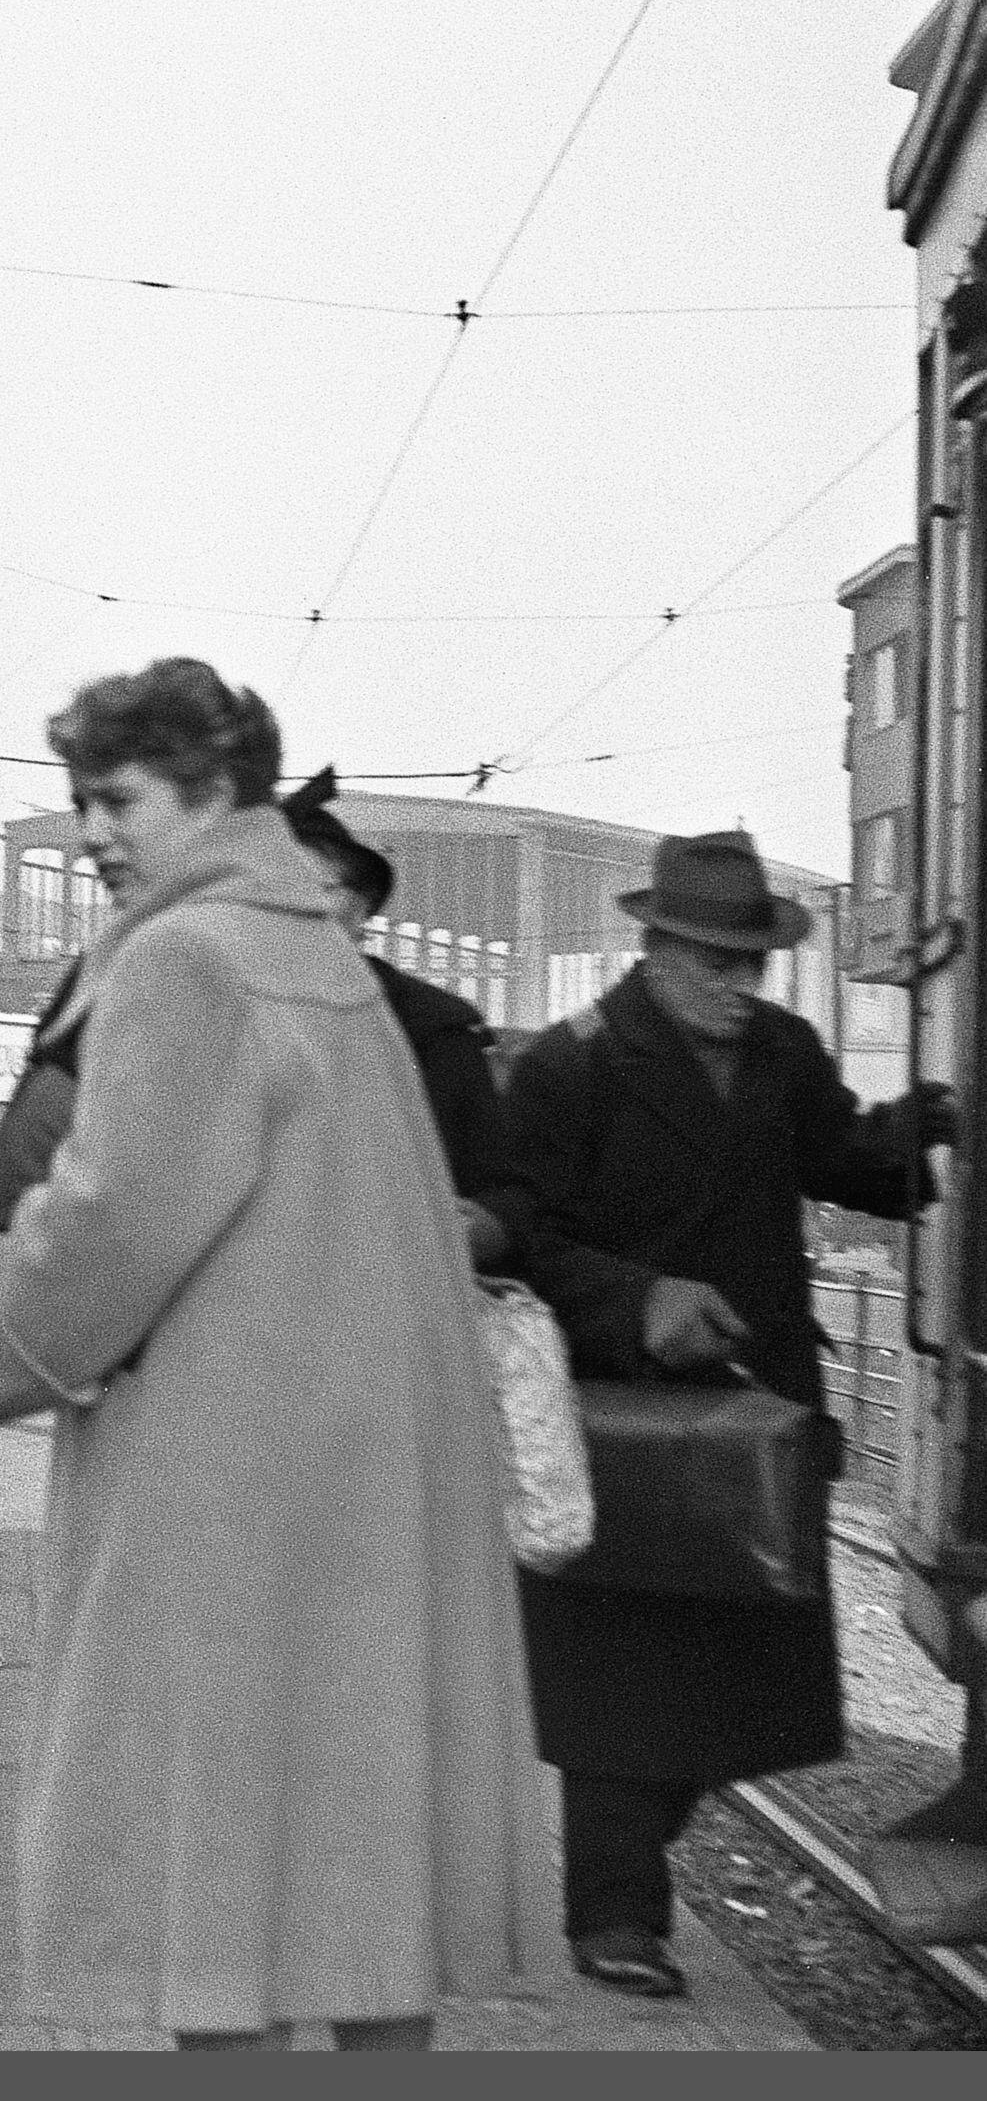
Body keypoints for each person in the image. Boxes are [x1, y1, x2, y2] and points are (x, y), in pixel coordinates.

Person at [0, 656, 557, 2050]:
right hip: (358, 1479)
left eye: (116, 800)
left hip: (222, 1485)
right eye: (81, 803)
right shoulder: (319, 958)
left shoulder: (182, 959)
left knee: (207, 1894)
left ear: (209, 788)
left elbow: (110, 1222)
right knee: (359, 1879)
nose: (91, 833)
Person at [500, 829, 951, 2001]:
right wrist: (638, 1299)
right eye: (716, 961)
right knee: (618, 1674)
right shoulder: (568, 1067)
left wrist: (933, 1120)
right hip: (621, 1422)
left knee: (741, 1682)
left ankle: (626, 1874)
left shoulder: (783, 1051)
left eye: (753, 962)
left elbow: (846, 1159)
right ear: (654, 948)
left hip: (755, 1419)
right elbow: (520, 1240)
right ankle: (615, 1914)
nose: (740, 984)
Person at [281, 769, 529, 1269]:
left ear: (360, 909)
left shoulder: (433, 1028)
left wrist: (483, 1227)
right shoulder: (195, 1014)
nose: (292, 909)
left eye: (317, 888)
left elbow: (506, 1191)